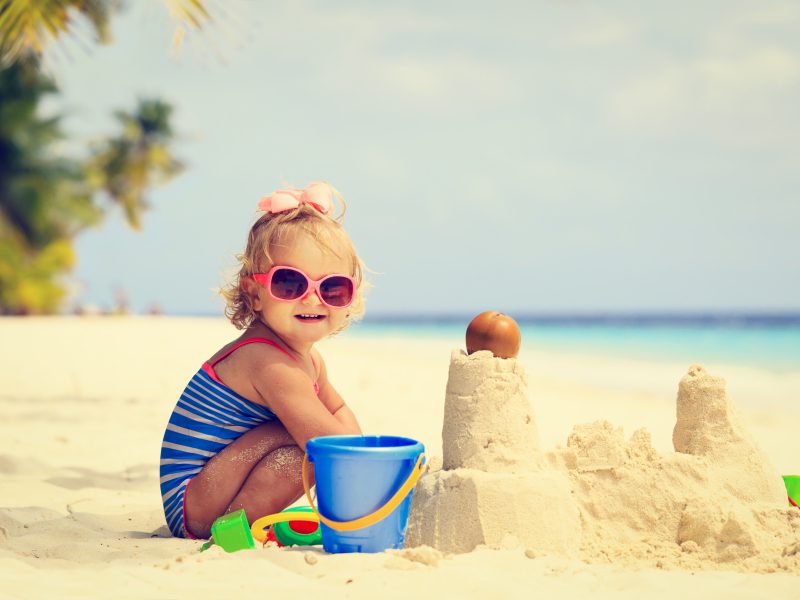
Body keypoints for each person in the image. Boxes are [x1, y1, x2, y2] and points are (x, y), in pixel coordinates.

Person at [159, 181, 365, 539]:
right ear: (254, 294)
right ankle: (233, 527)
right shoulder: (267, 361)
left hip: (216, 481)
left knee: (311, 444)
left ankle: (245, 521)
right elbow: (328, 444)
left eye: (332, 288)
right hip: (192, 499)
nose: (313, 300)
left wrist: (357, 454)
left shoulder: (309, 360)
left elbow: (339, 412)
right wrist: (364, 471)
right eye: (290, 285)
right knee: (310, 448)